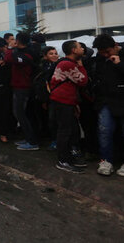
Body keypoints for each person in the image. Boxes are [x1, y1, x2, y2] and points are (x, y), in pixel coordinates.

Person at [92, 34, 124, 177]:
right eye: (102, 53)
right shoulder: (100, 60)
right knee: (104, 131)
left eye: (108, 51)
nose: (106, 55)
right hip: (107, 101)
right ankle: (106, 160)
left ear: (115, 46)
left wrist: (120, 64)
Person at [48, 40, 88, 174]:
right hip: (62, 101)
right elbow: (82, 81)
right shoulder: (67, 64)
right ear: (73, 51)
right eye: (79, 47)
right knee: (64, 131)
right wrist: (81, 66)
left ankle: (68, 158)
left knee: (70, 130)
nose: (82, 48)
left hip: (67, 101)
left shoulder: (68, 63)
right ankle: (63, 160)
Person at [5, 32, 39, 151]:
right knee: (24, 114)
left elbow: (9, 59)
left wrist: (9, 48)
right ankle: (29, 138)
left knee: (19, 114)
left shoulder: (27, 55)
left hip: (23, 88)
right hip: (19, 87)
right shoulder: (23, 52)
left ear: (18, 41)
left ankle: (32, 142)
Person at [34, 46, 59, 150]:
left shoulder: (59, 65)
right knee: (51, 120)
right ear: (45, 56)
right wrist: (44, 100)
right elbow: (42, 85)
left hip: (58, 97)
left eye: (55, 53)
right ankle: (54, 140)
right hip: (48, 98)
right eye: (51, 53)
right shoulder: (42, 67)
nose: (54, 55)